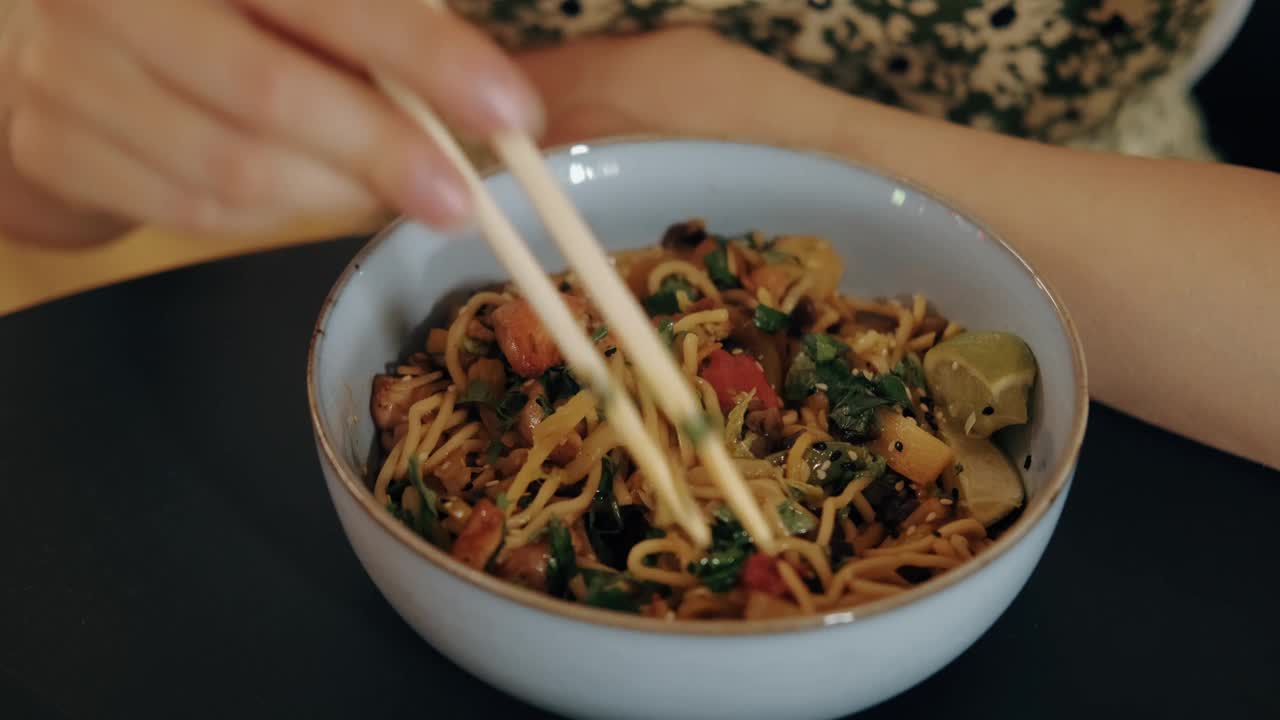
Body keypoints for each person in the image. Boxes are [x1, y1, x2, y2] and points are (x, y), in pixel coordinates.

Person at [0, 0, 1275, 470]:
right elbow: (42, 166)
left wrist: (811, 150)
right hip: (373, 278)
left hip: (1159, 327)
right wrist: (45, 92)